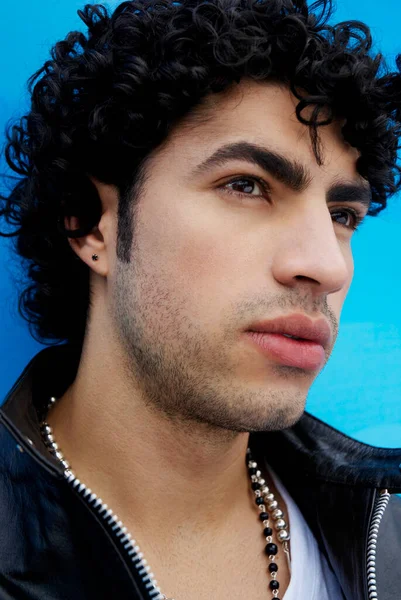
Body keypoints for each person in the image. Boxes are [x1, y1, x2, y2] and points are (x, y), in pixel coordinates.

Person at [0, 0, 401, 598]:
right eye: (246, 185)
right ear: (90, 224)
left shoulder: (390, 524)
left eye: (342, 214)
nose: (326, 264)